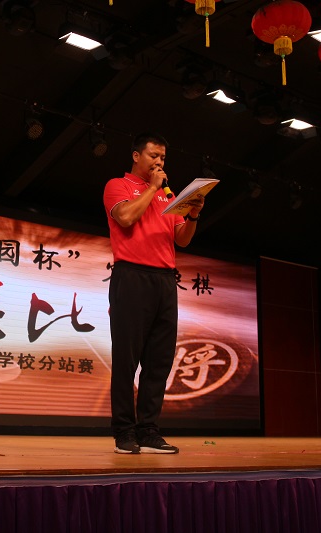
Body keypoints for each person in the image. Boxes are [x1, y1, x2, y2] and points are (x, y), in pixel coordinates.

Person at [103, 132, 204, 454]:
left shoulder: (168, 196)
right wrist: (151, 188)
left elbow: (182, 239)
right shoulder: (118, 185)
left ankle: (148, 430)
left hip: (165, 280)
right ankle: (124, 431)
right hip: (131, 276)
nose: (159, 162)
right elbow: (126, 217)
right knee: (127, 358)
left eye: (163, 158)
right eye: (153, 156)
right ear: (136, 156)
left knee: (159, 361)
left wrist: (192, 214)